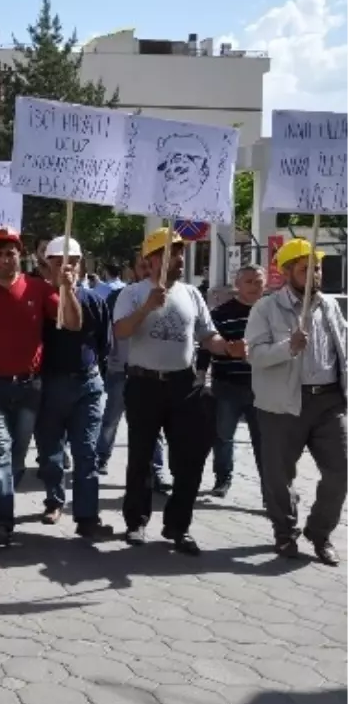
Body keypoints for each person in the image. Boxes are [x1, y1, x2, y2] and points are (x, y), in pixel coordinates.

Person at [113, 227, 229, 556]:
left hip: (183, 385)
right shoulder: (133, 293)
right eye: (168, 253)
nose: (178, 258)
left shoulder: (192, 294)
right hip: (144, 384)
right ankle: (136, 521)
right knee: (141, 457)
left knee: (189, 459)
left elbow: (208, 336)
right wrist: (147, 307)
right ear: (149, 261)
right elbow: (120, 332)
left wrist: (229, 348)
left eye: (179, 252)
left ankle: (179, 526)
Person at [0, 227, 82, 546]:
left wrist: (68, 289)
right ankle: (1, 520)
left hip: (30, 389)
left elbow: (72, 324)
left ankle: (1, 502)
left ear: (21, 255)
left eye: (10, 252)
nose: (5, 258)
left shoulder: (39, 288)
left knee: (16, 458)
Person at [247, 239, 347, 565]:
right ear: (287, 271)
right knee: (278, 475)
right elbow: (255, 355)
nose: (316, 274)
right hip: (282, 405)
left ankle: (319, 533)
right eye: (307, 269)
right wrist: (288, 347)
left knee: (341, 470)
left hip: (329, 402)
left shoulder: (329, 305)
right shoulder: (266, 308)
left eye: (317, 267)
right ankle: (285, 533)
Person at [33, 236, 112, 538]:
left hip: (87, 384)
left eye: (74, 261)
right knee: (50, 452)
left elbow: (104, 345)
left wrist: (96, 378)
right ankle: (54, 500)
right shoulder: (40, 299)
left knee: (86, 452)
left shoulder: (95, 301)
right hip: (49, 385)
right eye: (58, 262)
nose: (68, 267)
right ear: (47, 265)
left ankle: (87, 516)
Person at [97, 255, 169, 489]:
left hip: (152, 371)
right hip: (121, 367)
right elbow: (111, 330)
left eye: (151, 265)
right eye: (142, 266)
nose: (147, 270)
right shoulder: (121, 295)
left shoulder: (167, 294)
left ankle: (157, 471)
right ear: (132, 270)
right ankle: (101, 458)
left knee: (153, 426)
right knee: (111, 419)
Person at [199, 264, 265, 498]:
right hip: (227, 386)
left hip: (263, 388)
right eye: (249, 282)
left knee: (264, 442)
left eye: (258, 281)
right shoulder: (221, 313)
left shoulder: (270, 311)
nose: (255, 287)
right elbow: (206, 345)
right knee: (224, 435)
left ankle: (270, 490)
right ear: (237, 285)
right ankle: (223, 478)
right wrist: (200, 373)